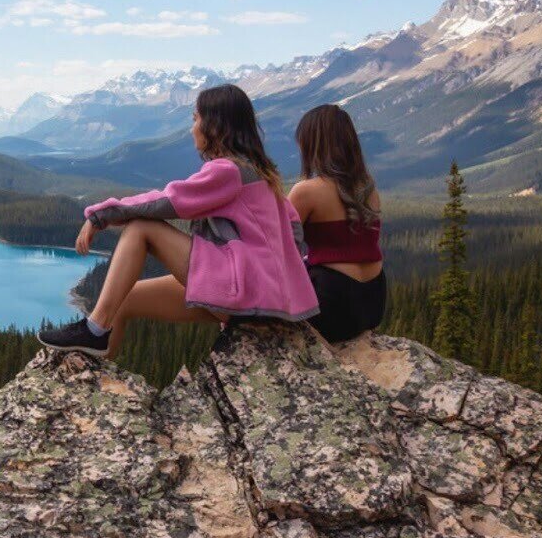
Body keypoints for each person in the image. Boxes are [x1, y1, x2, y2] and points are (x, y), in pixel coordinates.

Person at [38, 84, 316, 358]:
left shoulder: (228, 170)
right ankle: (96, 357)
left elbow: (167, 201)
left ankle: (93, 331)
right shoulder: (263, 174)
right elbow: (295, 234)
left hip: (245, 295)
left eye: (196, 119)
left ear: (215, 126)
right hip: (259, 301)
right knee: (123, 297)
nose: (192, 128)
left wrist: (101, 216)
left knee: (141, 227)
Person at [288, 104, 386, 343]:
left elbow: (276, 246)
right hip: (374, 302)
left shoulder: (306, 191)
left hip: (332, 304)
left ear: (313, 144)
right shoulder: (369, 189)